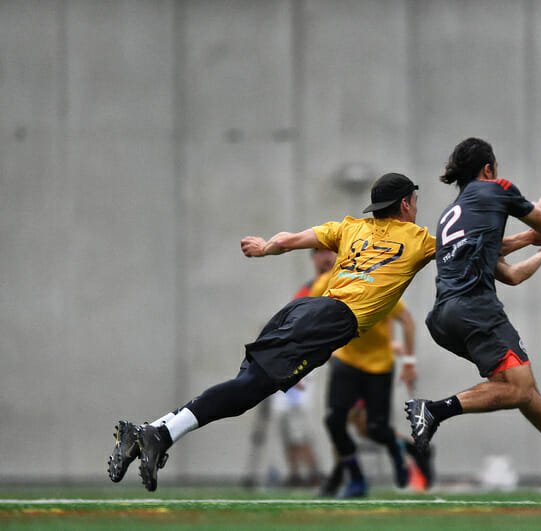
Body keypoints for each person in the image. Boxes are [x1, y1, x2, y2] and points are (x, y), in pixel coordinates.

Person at [107, 172, 438, 491]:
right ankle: (158, 435)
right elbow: (470, 251)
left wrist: (265, 247)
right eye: (416, 201)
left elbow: (290, 240)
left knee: (243, 390)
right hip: (332, 321)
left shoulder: (351, 227)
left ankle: (150, 431)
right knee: (247, 391)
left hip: (304, 308)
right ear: (406, 204)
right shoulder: (420, 240)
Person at [404, 137, 541, 478]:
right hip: (475, 309)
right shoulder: (498, 188)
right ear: (488, 168)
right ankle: (433, 411)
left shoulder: (453, 216)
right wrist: (540, 214)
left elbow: (509, 275)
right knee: (519, 387)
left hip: (443, 319)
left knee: (521, 385)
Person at [241, 248, 336, 488]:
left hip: (309, 362)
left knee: (300, 419)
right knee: (286, 418)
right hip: (294, 361)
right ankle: (297, 473)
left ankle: (314, 471)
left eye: (330, 253)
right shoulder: (306, 292)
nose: (326, 258)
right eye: (321, 253)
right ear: (313, 258)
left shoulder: (341, 286)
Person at [318, 297, 430, 498]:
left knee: (375, 429)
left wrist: (409, 362)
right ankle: (355, 478)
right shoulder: (330, 285)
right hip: (346, 362)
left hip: (378, 367)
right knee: (335, 421)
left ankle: (399, 448)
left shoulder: (383, 285)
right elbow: (315, 323)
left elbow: (407, 320)